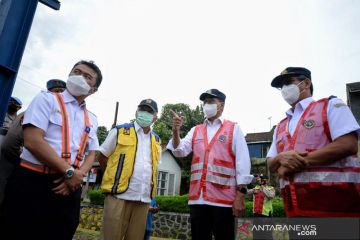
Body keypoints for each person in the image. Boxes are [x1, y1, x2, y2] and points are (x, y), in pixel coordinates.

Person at [0, 60, 103, 240]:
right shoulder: (46, 99)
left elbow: (92, 152)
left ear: (93, 90)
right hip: (33, 180)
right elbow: (33, 141)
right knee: (19, 230)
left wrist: (77, 176)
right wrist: (70, 172)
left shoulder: (92, 118)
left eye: (87, 77)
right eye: (76, 71)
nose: (79, 77)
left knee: (62, 231)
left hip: (70, 187)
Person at [267, 67, 360, 217]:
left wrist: (295, 163)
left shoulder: (330, 105)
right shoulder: (281, 125)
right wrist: (279, 158)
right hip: (296, 211)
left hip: (337, 209)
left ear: (306, 83)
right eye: (281, 86)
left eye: (289, 82)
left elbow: (348, 144)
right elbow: (271, 163)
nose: (284, 88)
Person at [167, 89, 252, 240]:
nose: (207, 105)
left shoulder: (234, 129)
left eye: (211, 102)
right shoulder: (195, 130)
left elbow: (243, 164)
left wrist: (240, 196)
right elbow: (179, 151)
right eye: (205, 102)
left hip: (224, 201)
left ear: (222, 106)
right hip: (198, 200)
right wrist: (175, 131)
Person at [98, 99, 162, 240]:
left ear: (155, 117)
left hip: (143, 199)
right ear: (136, 111)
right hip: (118, 196)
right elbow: (102, 156)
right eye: (142, 109)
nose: (145, 113)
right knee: (110, 237)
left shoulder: (156, 140)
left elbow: (154, 168)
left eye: (149, 111)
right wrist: (111, 178)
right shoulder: (120, 131)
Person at [0, 79, 66, 207]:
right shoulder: (36, 113)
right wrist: (22, 162)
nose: (61, 97)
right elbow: (9, 145)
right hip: (13, 169)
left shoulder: (51, 115)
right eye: (58, 92)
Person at [247, 174, 275, 240]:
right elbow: (246, 192)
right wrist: (246, 181)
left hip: (266, 216)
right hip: (256, 215)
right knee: (256, 235)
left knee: (267, 235)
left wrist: (263, 187)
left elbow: (270, 196)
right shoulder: (256, 188)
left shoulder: (271, 188)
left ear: (267, 181)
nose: (259, 180)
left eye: (261, 179)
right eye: (259, 179)